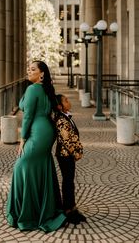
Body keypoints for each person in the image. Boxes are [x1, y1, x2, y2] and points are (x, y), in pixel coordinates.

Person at [6, 60, 67, 232]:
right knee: (38, 167)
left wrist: (22, 139)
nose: (29, 71)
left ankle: (27, 214)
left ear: (42, 74)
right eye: (28, 68)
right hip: (46, 132)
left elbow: (27, 117)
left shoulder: (33, 89)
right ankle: (42, 208)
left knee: (21, 166)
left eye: (33, 69)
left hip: (37, 134)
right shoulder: (44, 89)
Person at [54, 93, 86, 224]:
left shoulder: (66, 117)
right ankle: (68, 209)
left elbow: (73, 137)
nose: (69, 101)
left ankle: (71, 206)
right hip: (65, 155)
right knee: (68, 182)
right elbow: (67, 140)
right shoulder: (61, 120)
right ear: (60, 106)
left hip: (68, 155)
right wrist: (77, 153)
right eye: (66, 100)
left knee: (70, 181)